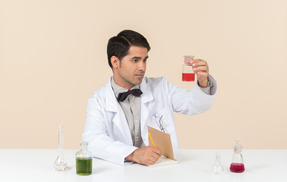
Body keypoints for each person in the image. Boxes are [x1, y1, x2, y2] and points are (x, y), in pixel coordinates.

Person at [82, 29, 217, 166]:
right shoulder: (99, 100)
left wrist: (203, 82)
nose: (142, 67)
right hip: (119, 175)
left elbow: (195, 105)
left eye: (144, 60)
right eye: (135, 60)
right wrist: (133, 154)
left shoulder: (161, 88)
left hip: (160, 173)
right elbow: (92, 140)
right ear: (115, 62)